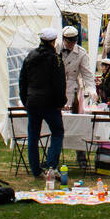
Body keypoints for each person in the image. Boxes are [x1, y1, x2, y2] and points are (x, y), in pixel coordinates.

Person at [19, 28, 67, 180]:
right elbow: (60, 83)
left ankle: (35, 169)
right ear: (53, 42)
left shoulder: (30, 56)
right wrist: (61, 102)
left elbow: (22, 81)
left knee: (33, 136)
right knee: (57, 132)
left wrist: (25, 100)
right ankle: (52, 166)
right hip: (50, 102)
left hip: (32, 101)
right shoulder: (55, 58)